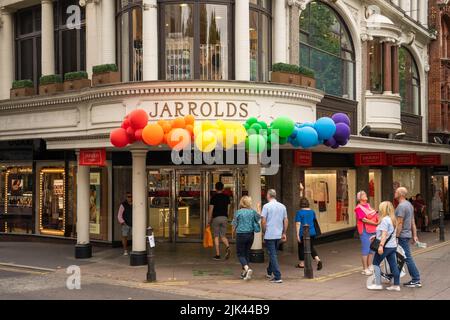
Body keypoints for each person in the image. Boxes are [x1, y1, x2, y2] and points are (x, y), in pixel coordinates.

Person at [367, 201, 401, 291]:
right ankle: (396, 285)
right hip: (392, 246)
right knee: (393, 265)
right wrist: (376, 236)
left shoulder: (385, 220)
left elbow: (384, 234)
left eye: (380, 208)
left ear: (384, 209)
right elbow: (389, 233)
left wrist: (381, 246)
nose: (379, 210)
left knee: (375, 264)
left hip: (385, 246)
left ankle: (378, 284)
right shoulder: (393, 219)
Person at [395, 187, 422, 288]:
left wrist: (396, 236)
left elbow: (400, 223)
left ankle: (416, 279)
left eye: (396, 192)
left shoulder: (401, 206)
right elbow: (412, 222)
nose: (395, 193)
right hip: (406, 235)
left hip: (401, 235)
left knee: (407, 257)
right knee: (400, 256)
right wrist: (414, 235)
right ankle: (393, 276)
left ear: (401, 194)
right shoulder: (409, 204)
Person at [261, 189, 288, 284]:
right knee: (273, 253)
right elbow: (285, 220)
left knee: (272, 254)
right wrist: (284, 233)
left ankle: (277, 276)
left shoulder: (266, 206)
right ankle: (269, 271)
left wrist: (264, 232)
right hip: (278, 234)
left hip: (270, 234)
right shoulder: (282, 206)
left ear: (268, 195)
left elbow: (263, 221)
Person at [231, 196, 261, 281]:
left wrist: (233, 233)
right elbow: (259, 218)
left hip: (241, 235)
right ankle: (244, 273)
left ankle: (247, 269)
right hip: (251, 235)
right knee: (246, 253)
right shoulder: (252, 212)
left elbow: (234, 224)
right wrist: (258, 208)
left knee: (240, 254)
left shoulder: (238, 212)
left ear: (241, 203)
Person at [354, 191, 379, 275]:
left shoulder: (368, 205)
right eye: (364, 195)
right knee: (366, 249)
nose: (366, 195)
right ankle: (365, 268)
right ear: (359, 198)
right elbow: (363, 219)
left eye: (365, 194)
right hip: (365, 231)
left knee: (372, 249)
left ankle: (370, 265)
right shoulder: (358, 208)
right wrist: (375, 223)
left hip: (372, 230)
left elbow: (374, 214)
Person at [295, 198, 322, 270]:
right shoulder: (312, 212)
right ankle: (318, 260)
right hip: (312, 232)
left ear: (300, 204)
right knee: (310, 247)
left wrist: (297, 234)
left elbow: (298, 223)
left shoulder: (299, 212)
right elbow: (313, 221)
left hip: (303, 233)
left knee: (301, 247)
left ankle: (302, 263)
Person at [208, 181, 231, 260]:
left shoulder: (213, 197)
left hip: (216, 218)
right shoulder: (227, 197)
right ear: (223, 188)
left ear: (215, 188)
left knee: (216, 236)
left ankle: (218, 255)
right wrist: (226, 216)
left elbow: (211, 210)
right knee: (223, 236)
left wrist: (209, 220)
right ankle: (227, 246)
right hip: (224, 217)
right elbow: (228, 209)